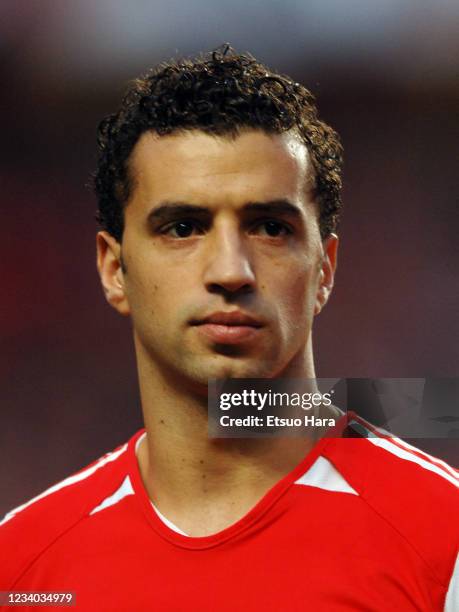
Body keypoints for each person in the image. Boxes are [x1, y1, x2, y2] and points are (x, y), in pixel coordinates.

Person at [1, 46, 458, 611]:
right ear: (115, 270)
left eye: (270, 227)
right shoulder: (20, 567)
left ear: (324, 270)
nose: (230, 272)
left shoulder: (445, 543)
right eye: (183, 227)